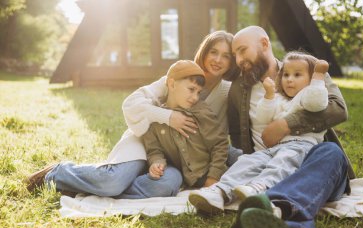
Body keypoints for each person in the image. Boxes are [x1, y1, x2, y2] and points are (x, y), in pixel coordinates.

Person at [188, 26, 353, 228]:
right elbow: (236, 136)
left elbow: (338, 108)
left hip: (311, 165)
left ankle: (266, 207)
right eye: (235, 54)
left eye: (243, 50)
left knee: (331, 153)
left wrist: (286, 124)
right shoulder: (238, 89)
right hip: (265, 166)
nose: (238, 60)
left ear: (265, 44)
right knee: (246, 161)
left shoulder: (304, 67)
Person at [24, 31, 240, 197]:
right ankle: (62, 172)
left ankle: (90, 188)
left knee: (165, 185)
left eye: (226, 56)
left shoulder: (227, 91)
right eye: (214, 52)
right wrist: (169, 117)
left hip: (178, 161)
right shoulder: (180, 77)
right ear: (204, 52)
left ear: (232, 62)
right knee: (113, 182)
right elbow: (131, 104)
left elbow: (220, 139)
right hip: (145, 140)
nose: (218, 60)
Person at [190, 51, 330, 207]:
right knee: (248, 161)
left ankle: (260, 187)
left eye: (297, 75)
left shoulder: (307, 96)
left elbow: (316, 102)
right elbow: (263, 117)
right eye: (286, 75)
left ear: (310, 80)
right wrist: (269, 96)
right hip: (274, 147)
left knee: (282, 163)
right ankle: (220, 191)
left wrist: (318, 77)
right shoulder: (280, 98)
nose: (290, 80)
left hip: (301, 146)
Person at [141, 60, 229, 190]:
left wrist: (213, 178)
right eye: (191, 89)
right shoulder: (156, 118)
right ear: (172, 84)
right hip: (186, 178)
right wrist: (156, 163)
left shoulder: (200, 111)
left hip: (210, 171)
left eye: (198, 92)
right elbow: (154, 150)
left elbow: (219, 144)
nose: (195, 97)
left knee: (243, 163)